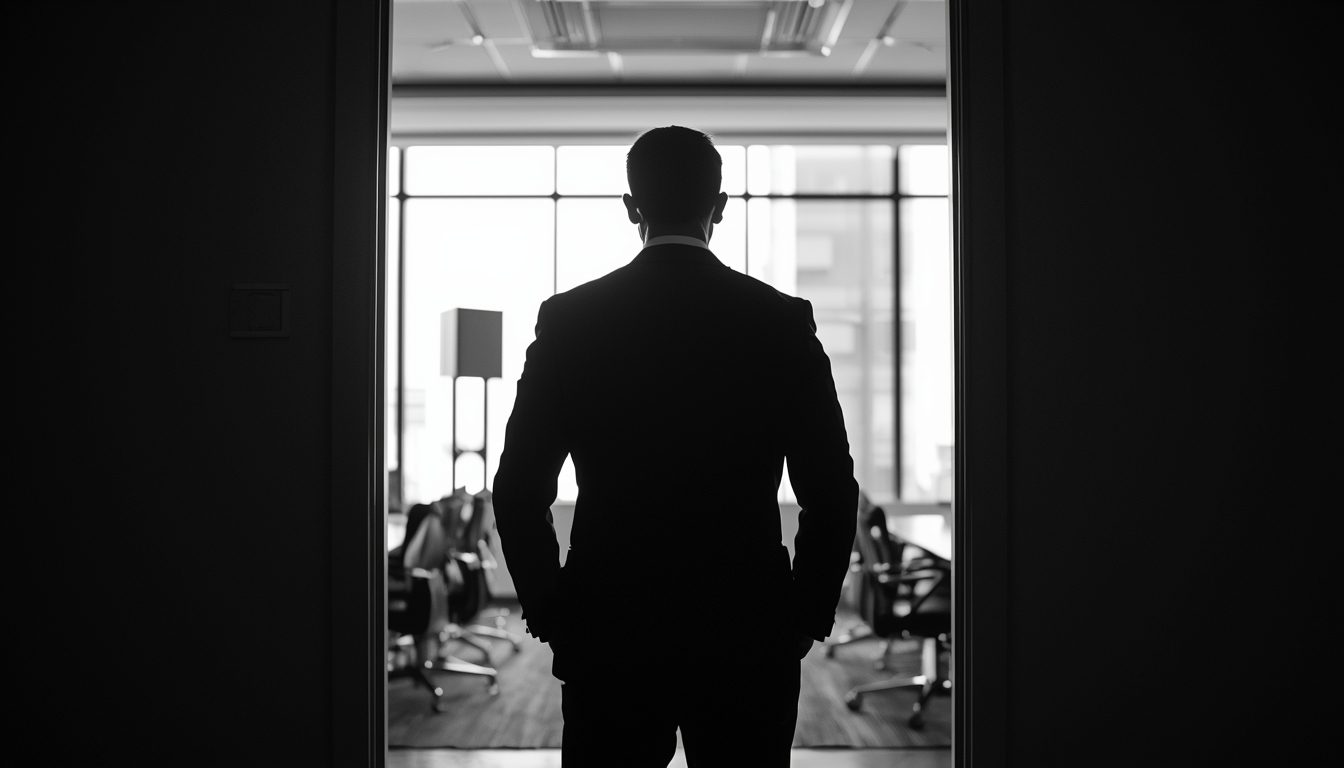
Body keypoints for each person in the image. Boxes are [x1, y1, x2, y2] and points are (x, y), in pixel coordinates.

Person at [493, 126, 858, 767]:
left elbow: (519, 489)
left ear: (632, 207)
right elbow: (830, 489)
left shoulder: (570, 321)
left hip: (610, 629)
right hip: (747, 630)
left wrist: (552, 611)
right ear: (718, 206)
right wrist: (804, 616)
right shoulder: (779, 321)